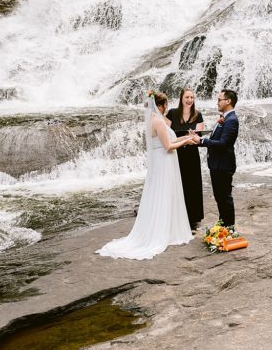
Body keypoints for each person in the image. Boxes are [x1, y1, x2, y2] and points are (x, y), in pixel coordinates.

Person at [97, 91, 199, 260]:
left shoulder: (152, 120)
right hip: (165, 161)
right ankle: (163, 233)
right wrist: (187, 142)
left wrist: (184, 137)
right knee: (165, 194)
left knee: (161, 194)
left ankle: (167, 229)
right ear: (162, 105)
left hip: (162, 161)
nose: (167, 108)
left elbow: (168, 141)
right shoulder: (158, 121)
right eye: (166, 105)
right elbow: (168, 146)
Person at [199, 89, 239, 229]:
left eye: (219, 100)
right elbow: (215, 139)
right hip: (216, 165)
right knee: (220, 198)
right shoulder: (225, 118)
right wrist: (199, 140)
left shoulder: (232, 120)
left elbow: (223, 144)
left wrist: (202, 141)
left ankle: (229, 228)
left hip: (223, 165)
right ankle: (223, 225)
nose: (217, 102)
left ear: (228, 101)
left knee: (225, 198)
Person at [166, 88, 205, 230]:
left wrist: (194, 136)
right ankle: (176, 216)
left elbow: (200, 138)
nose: (189, 100)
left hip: (192, 154)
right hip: (176, 153)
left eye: (192, 98)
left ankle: (193, 218)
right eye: (187, 97)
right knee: (178, 183)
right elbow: (165, 133)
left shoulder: (198, 115)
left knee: (193, 185)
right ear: (181, 98)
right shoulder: (172, 113)